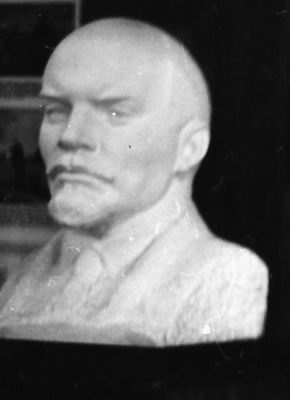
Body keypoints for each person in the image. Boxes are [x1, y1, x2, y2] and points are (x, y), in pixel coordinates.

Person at [0, 18, 267, 346]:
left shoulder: (224, 277)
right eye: (56, 111)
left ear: (189, 148)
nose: (70, 136)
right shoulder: (25, 278)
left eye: (115, 113)